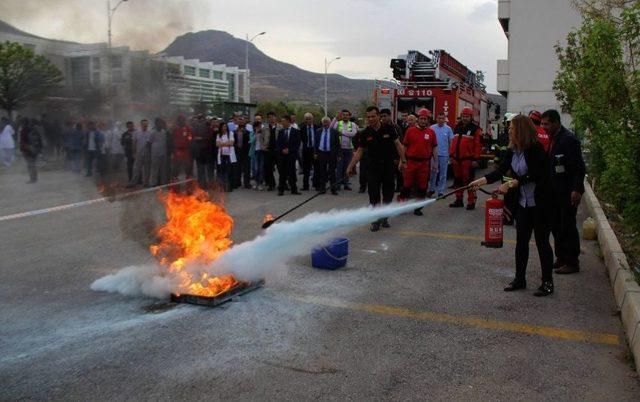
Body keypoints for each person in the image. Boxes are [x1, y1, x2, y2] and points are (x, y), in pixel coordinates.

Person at [470, 115, 554, 296]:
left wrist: (512, 184)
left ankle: (547, 282)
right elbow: (500, 171)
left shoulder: (535, 149)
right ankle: (520, 279)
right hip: (523, 204)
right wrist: (481, 181)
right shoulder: (512, 150)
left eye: (512, 128)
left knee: (542, 243)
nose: (509, 131)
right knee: (521, 242)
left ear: (521, 130)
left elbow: (538, 175)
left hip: (540, 204)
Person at [347, 106, 406, 232]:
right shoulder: (365, 133)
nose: (370, 119)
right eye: (368, 117)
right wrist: (350, 166)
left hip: (388, 166)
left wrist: (403, 161)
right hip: (373, 167)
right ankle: (375, 220)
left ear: (379, 116)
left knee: (388, 194)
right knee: (373, 195)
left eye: (373, 116)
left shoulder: (389, 129)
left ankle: (384, 217)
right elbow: (360, 151)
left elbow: (398, 145)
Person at [541, 109, 586, 275]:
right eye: (542, 124)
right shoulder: (554, 138)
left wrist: (577, 189)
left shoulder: (569, 140)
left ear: (555, 122)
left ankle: (572, 262)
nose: (543, 127)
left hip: (567, 191)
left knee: (567, 226)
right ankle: (561, 258)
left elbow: (578, 167)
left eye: (546, 124)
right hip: (554, 192)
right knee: (556, 226)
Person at [400, 108, 438, 216]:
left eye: (425, 119)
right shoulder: (410, 130)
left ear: (428, 120)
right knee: (407, 185)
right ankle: (402, 206)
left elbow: (435, 148)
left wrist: (436, 163)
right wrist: (402, 161)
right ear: (418, 119)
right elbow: (404, 147)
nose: (423, 120)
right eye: (421, 118)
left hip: (425, 164)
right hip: (411, 162)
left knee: (422, 187)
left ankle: (418, 208)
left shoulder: (431, 132)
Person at [449, 107, 482, 210]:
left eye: (467, 116)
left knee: (469, 181)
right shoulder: (457, 126)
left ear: (471, 117)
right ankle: (459, 200)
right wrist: (451, 155)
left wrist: (476, 159)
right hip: (456, 159)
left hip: (468, 160)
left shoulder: (475, 129)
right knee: (457, 180)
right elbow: (453, 142)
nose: (465, 118)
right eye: (463, 116)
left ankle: (471, 201)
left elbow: (478, 145)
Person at [428, 112, 454, 198]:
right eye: (439, 118)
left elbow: (451, 142)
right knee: (433, 173)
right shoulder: (431, 128)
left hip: (444, 155)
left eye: (442, 118)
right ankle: (431, 189)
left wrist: (450, 154)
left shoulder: (448, 129)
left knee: (443, 174)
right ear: (436, 119)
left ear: (445, 119)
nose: (441, 120)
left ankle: (441, 191)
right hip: (433, 155)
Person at [332, 109, 358, 191]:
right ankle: (338, 184)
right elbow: (331, 128)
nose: (345, 116)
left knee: (347, 167)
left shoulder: (353, 124)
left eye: (347, 115)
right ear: (341, 116)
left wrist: (341, 132)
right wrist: (335, 118)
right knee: (339, 167)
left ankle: (346, 183)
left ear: (349, 116)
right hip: (339, 149)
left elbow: (353, 133)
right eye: (344, 115)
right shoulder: (337, 123)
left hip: (349, 149)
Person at [314, 116, 340, 195]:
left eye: (327, 122)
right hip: (322, 153)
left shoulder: (334, 132)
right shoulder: (318, 131)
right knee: (322, 172)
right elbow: (316, 143)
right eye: (324, 122)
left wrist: (338, 155)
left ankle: (333, 189)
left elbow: (337, 144)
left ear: (330, 123)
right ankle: (322, 188)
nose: (325, 123)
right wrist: (315, 153)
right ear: (322, 123)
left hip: (331, 154)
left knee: (332, 172)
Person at [276, 115, 301, 196]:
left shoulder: (296, 131)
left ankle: (294, 189)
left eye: (283, 121)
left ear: (288, 121)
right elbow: (278, 143)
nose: (282, 123)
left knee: (292, 173)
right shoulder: (281, 131)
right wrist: (282, 150)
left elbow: (297, 144)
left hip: (291, 155)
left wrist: (289, 150)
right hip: (282, 155)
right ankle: (281, 190)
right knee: (282, 173)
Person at [380, 109, 403, 193]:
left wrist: (398, 157)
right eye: (381, 116)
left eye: (385, 116)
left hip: (394, 155)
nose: (383, 118)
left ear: (390, 116)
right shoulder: (380, 127)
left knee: (397, 172)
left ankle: (399, 187)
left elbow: (400, 143)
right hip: (384, 156)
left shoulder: (396, 127)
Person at [192, 115, 215, 189]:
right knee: (200, 169)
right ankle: (202, 185)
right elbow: (193, 138)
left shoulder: (208, 128)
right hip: (199, 152)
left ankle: (210, 184)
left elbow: (210, 138)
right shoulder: (195, 128)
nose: (200, 121)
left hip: (207, 151)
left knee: (209, 169)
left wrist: (201, 138)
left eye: (202, 119)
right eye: (199, 119)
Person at [127, 119, 152, 187]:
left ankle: (146, 183)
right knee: (136, 169)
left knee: (147, 169)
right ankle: (133, 183)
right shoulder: (136, 133)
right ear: (141, 125)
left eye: (146, 125)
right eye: (144, 124)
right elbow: (134, 143)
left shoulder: (150, 133)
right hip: (139, 154)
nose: (145, 126)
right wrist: (134, 153)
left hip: (147, 154)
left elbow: (150, 144)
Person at [300, 112, 319, 191]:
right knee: (306, 169)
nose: (308, 120)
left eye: (310, 119)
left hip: (315, 150)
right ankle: (305, 186)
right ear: (304, 120)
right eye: (306, 119)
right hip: (306, 150)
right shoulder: (302, 128)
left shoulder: (317, 127)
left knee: (317, 168)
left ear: (312, 119)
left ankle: (316, 185)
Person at [171, 115, 193, 182]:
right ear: (178, 121)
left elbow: (190, 137)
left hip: (186, 149)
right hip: (177, 149)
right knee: (176, 164)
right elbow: (172, 138)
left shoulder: (187, 128)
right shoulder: (175, 128)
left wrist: (188, 140)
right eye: (180, 120)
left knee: (187, 163)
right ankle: (175, 177)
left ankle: (188, 177)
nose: (182, 121)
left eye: (183, 120)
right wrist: (174, 149)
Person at [19, 118, 42, 183]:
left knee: (30, 164)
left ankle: (32, 179)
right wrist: (39, 149)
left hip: (27, 150)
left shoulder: (23, 130)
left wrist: (22, 149)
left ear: (23, 124)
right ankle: (34, 178)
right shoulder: (34, 129)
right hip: (35, 149)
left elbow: (22, 141)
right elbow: (40, 140)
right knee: (33, 164)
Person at [216, 122, 236, 192]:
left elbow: (231, 143)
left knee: (229, 170)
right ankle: (223, 186)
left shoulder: (230, 133)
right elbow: (217, 144)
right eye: (223, 127)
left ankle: (230, 186)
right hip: (222, 154)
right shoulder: (219, 135)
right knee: (223, 171)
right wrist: (226, 143)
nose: (224, 128)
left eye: (225, 126)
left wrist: (222, 143)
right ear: (220, 128)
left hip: (229, 155)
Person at [263, 111, 281, 191]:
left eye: (273, 116)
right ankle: (271, 184)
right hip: (268, 150)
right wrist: (263, 147)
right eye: (269, 117)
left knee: (281, 168)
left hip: (278, 150)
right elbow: (261, 138)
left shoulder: (280, 127)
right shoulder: (265, 128)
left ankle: (283, 183)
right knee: (268, 168)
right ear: (268, 118)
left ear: (275, 117)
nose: (271, 118)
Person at [149, 118, 169, 187]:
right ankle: (153, 183)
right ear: (156, 124)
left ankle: (163, 182)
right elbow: (149, 142)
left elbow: (166, 142)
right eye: (158, 123)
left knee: (163, 169)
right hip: (155, 153)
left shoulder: (164, 132)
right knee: (154, 169)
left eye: (161, 123)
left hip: (163, 153)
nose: (160, 124)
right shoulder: (152, 132)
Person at [233, 116, 251, 189]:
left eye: (242, 120)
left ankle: (247, 183)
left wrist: (245, 132)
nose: (241, 121)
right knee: (237, 168)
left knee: (246, 168)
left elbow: (249, 141)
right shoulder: (235, 132)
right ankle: (237, 182)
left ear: (245, 122)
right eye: (239, 120)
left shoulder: (248, 132)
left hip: (246, 152)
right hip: (237, 152)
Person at [252, 121, 266, 190]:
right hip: (255, 151)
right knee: (256, 168)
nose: (259, 128)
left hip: (262, 151)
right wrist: (256, 133)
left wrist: (261, 133)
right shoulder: (252, 133)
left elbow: (265, 140)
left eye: (260, 126)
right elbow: (251, 141)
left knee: (261, 168)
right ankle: (256, 182)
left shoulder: (263, 132)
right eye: (258, 126)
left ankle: (260, 183)